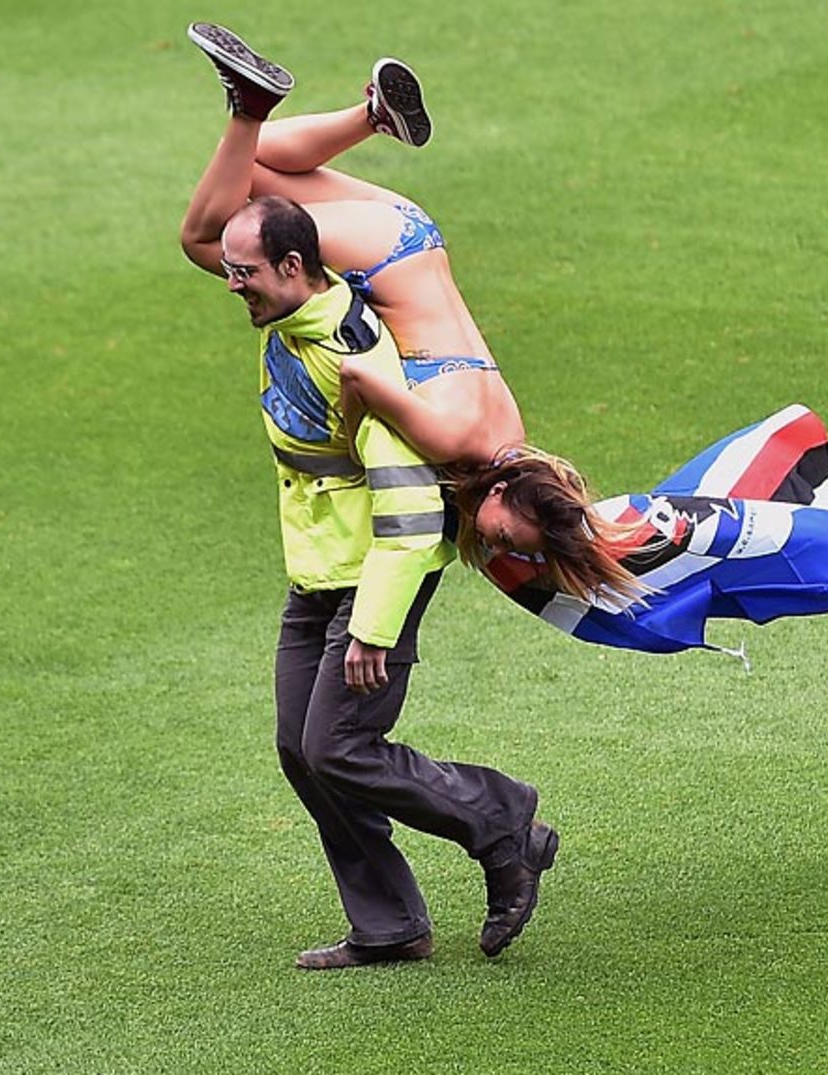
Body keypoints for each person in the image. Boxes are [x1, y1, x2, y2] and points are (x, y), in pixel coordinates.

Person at [181, 22, 558, 968]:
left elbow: (413, 509)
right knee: (302, 748)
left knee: (226, 201)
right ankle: (390, 921)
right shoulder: (459, 416)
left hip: (397, 256)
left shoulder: (405, 393)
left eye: (252, 277)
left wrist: (375, 626)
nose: (235, 287)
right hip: (391, 266)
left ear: (299, 274)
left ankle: (498, 817)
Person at [180, 27, 649, 609]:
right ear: (503, 491)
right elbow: (359, 380)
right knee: (207, 240)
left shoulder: (512, 435)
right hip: (379, 262)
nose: (491, 538)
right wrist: (350, 444)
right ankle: (249, 101)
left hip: (410, 234)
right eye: (503, 532)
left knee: (250, 158)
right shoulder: (452, 438)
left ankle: (372, 115)